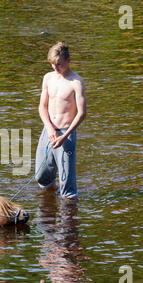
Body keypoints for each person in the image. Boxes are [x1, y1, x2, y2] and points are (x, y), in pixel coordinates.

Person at [35, 42, 86, 201]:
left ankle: (69, 218)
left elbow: (82, 113)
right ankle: (51, 195)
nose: (55, 68)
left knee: (68, 188)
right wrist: (49, 128)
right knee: (41, 176)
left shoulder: (76, 82)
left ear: (68, 60)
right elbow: (42, 107)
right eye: (52, 64)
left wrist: (64, 137)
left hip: (66, 133)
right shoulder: (48, 78)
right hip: (48, 131)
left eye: (59, 64)